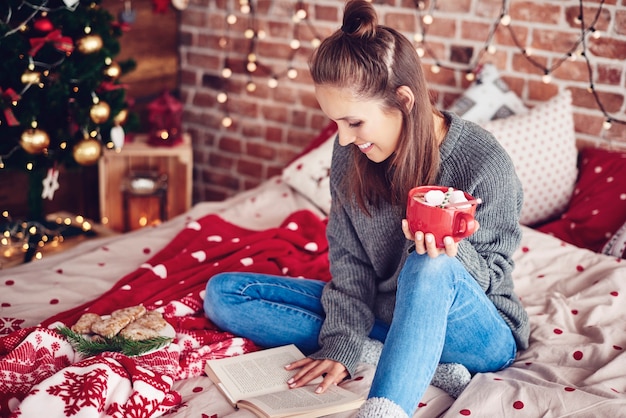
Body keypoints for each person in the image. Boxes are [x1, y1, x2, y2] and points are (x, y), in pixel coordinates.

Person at [204, 0, 530, 416]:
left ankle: (385, 408)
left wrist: (449, 247)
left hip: (480, 333)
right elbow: (350, 264)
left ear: (404, 100)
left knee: (428, 264)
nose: (342, 140)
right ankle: (393, 353)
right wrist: (341, 347)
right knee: (225, 294)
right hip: (385, 314)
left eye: (354, 123)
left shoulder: (484, 162)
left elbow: (491, 277)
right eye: (335, 123)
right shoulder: (350, 158)